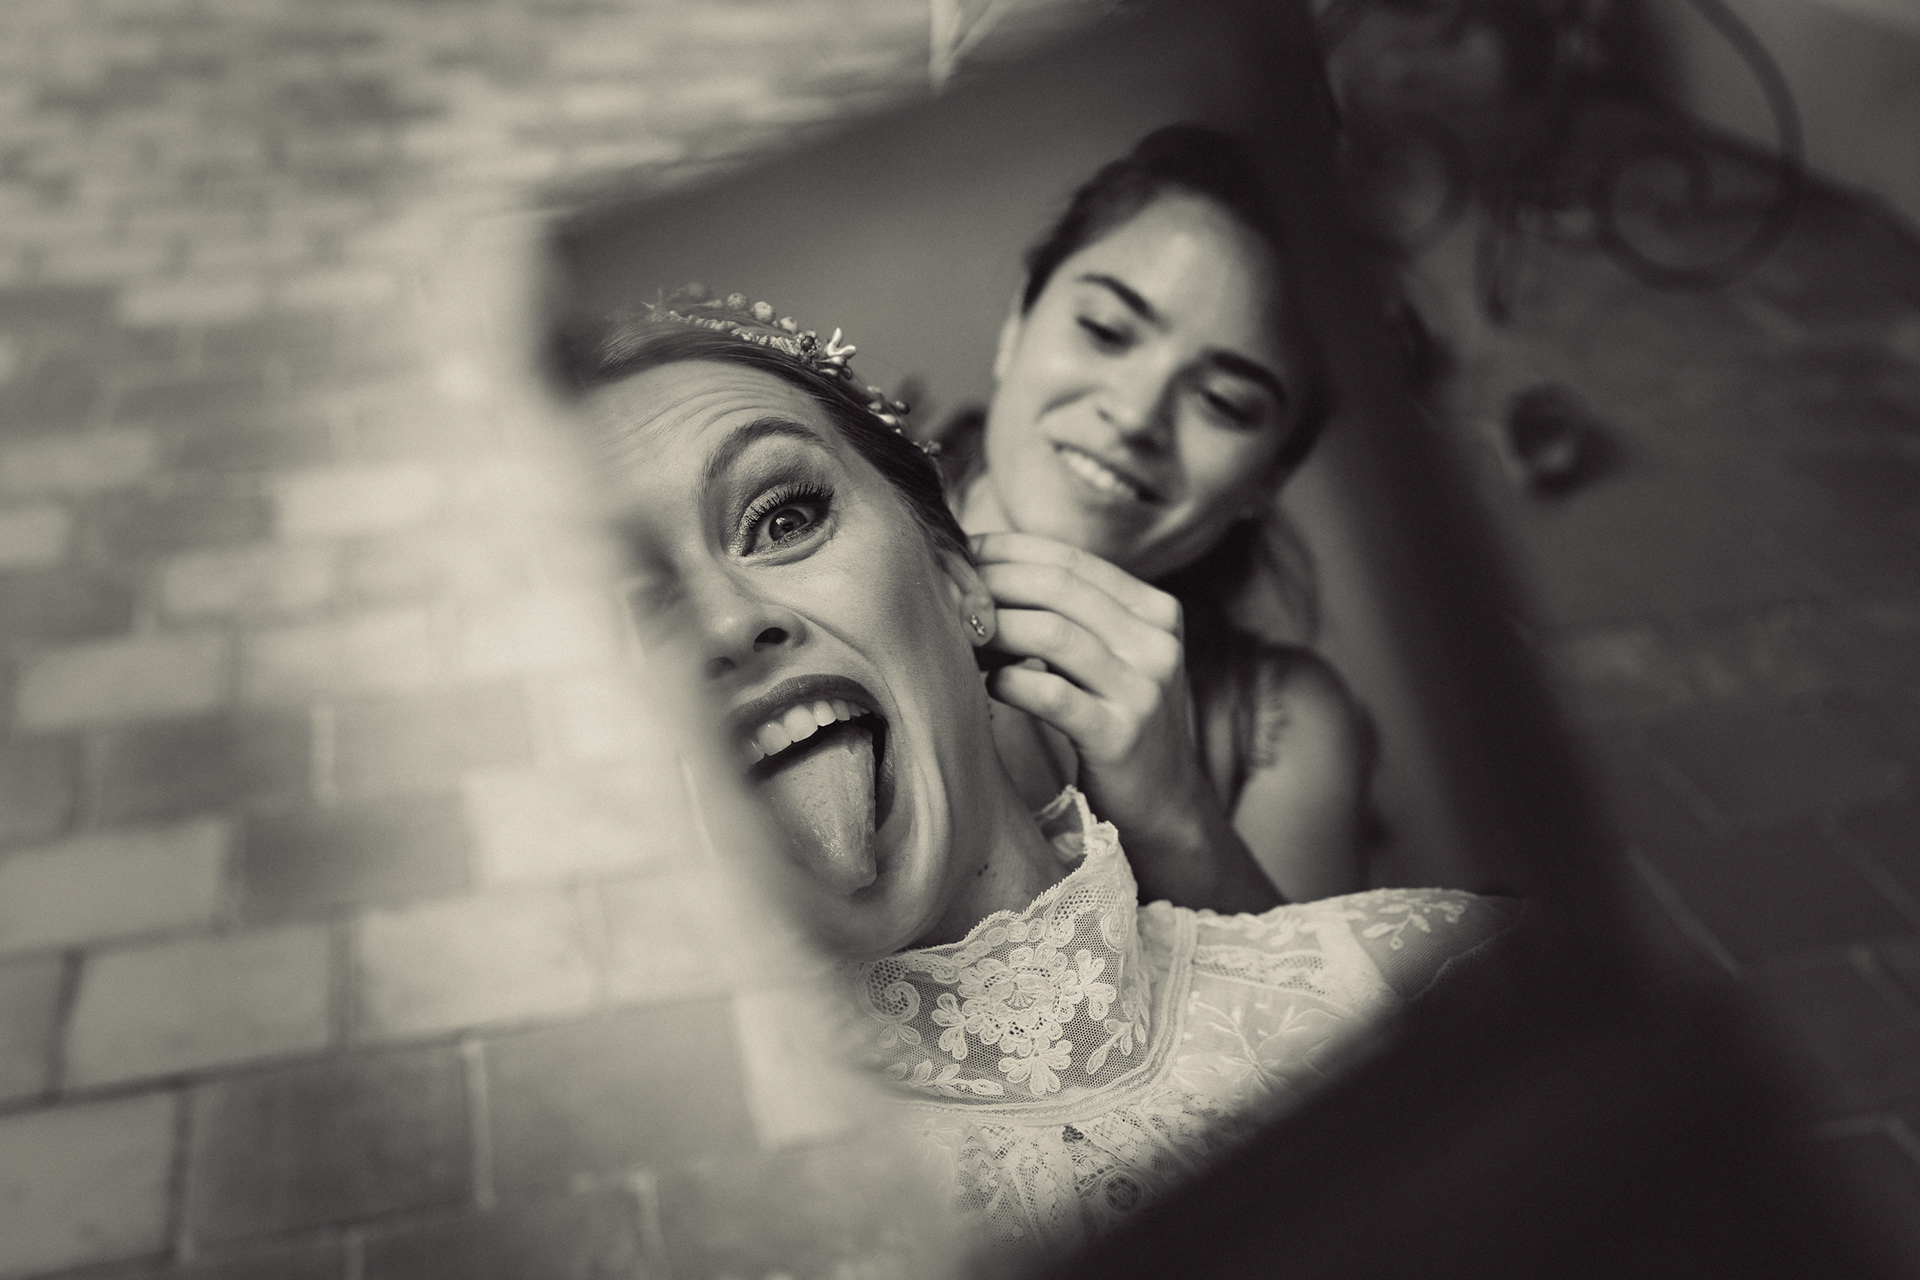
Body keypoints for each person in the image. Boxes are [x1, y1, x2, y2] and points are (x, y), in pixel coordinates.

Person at [561, 290, 1520, 1254]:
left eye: (784, 517)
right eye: (630, 609)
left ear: (959, 581)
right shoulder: (660, 1231)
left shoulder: (1440, 973)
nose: (729, 624)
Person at [936, 125, 1372, 907]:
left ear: (1270, 477)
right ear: (1017, 323)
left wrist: (1175, 820)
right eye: (1106, 330)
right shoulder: (817, 567)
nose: (1137, 416)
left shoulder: (1281, 727)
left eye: (1225, 402)